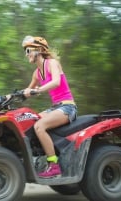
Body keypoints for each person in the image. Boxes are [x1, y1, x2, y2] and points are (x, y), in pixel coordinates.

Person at [21, 36, 77, 178]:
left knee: (39, 126)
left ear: (39, 50)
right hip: (55, 108)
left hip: (67, 107)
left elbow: (56, 82)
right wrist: (7, 97)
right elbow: (27, 92)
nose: (26, 54)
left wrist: (38, 90)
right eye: (25, 51)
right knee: (30, 121)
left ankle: (53, 165)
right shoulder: (36, 73)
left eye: (28, 50)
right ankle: (37, 158)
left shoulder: (52, 63)